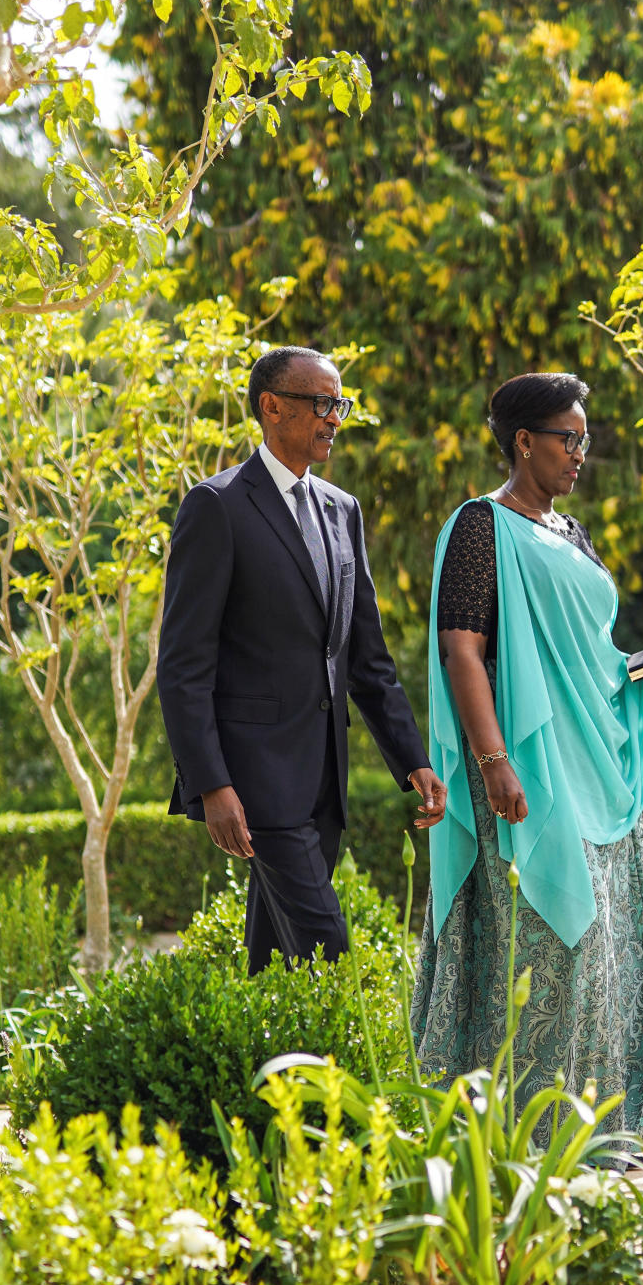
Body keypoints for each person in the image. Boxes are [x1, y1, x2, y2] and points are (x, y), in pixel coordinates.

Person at [411, 371, 643, 1149]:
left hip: (592, 767)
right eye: (567, 439)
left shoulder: (570, 534)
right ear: (523, 441)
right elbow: (461, 649)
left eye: (585, 439)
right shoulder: (481, 525)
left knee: (609, 955)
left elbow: (591, 665)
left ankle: (605, 1131)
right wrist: (494, 759)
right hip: (527, 768)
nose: (579, 453)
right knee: (547, 949)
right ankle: (522, 1137)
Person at [157, 344, 446, 972]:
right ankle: (357, 1070)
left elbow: (365, 657)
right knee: (327, 951)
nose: (334, 417)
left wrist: (411, 761)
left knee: (276, 963)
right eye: (321, 403)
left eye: (338, 403)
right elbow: (182, 666)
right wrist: (210, 784)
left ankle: (267, 1071)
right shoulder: (217, 505)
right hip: (255, 781)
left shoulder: (343, 511)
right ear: (271, 407)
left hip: (323, 780)